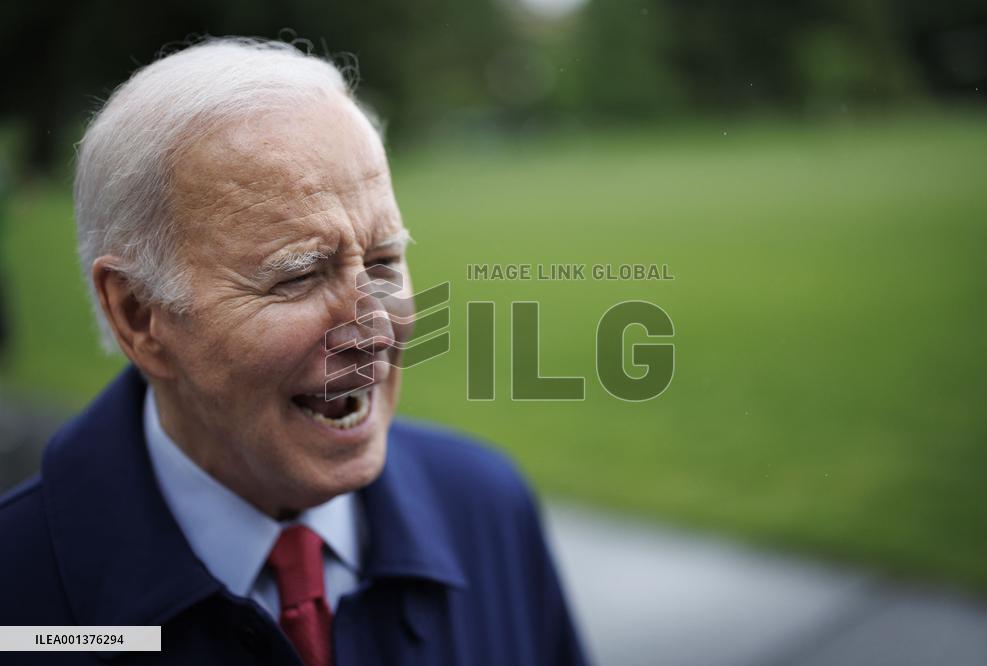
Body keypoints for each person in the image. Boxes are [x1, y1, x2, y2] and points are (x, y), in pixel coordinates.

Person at [0, 38, 587, 665]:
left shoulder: (487, 509)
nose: (375, 328)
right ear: (139, 314)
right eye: (299, 275)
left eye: (384, 261)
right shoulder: (20, 598)